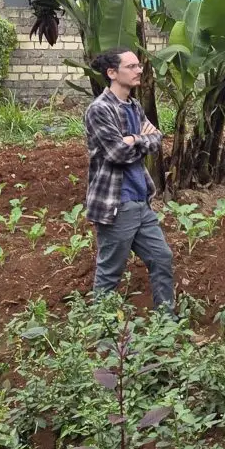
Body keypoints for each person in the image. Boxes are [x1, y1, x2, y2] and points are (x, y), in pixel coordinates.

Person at [84, 48, 174, 313]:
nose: (139, 71)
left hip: (140, 199)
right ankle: (103, 335)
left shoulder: (134, 106)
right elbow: (116, 152)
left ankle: (166, 323)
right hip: (116, 204)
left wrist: (135, 139)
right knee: (110, 272)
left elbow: (157, 138)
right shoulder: (99, 110)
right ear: (112, 73)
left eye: (139, 66)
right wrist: (140, 140)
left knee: (161, 257)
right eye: (132, 66)